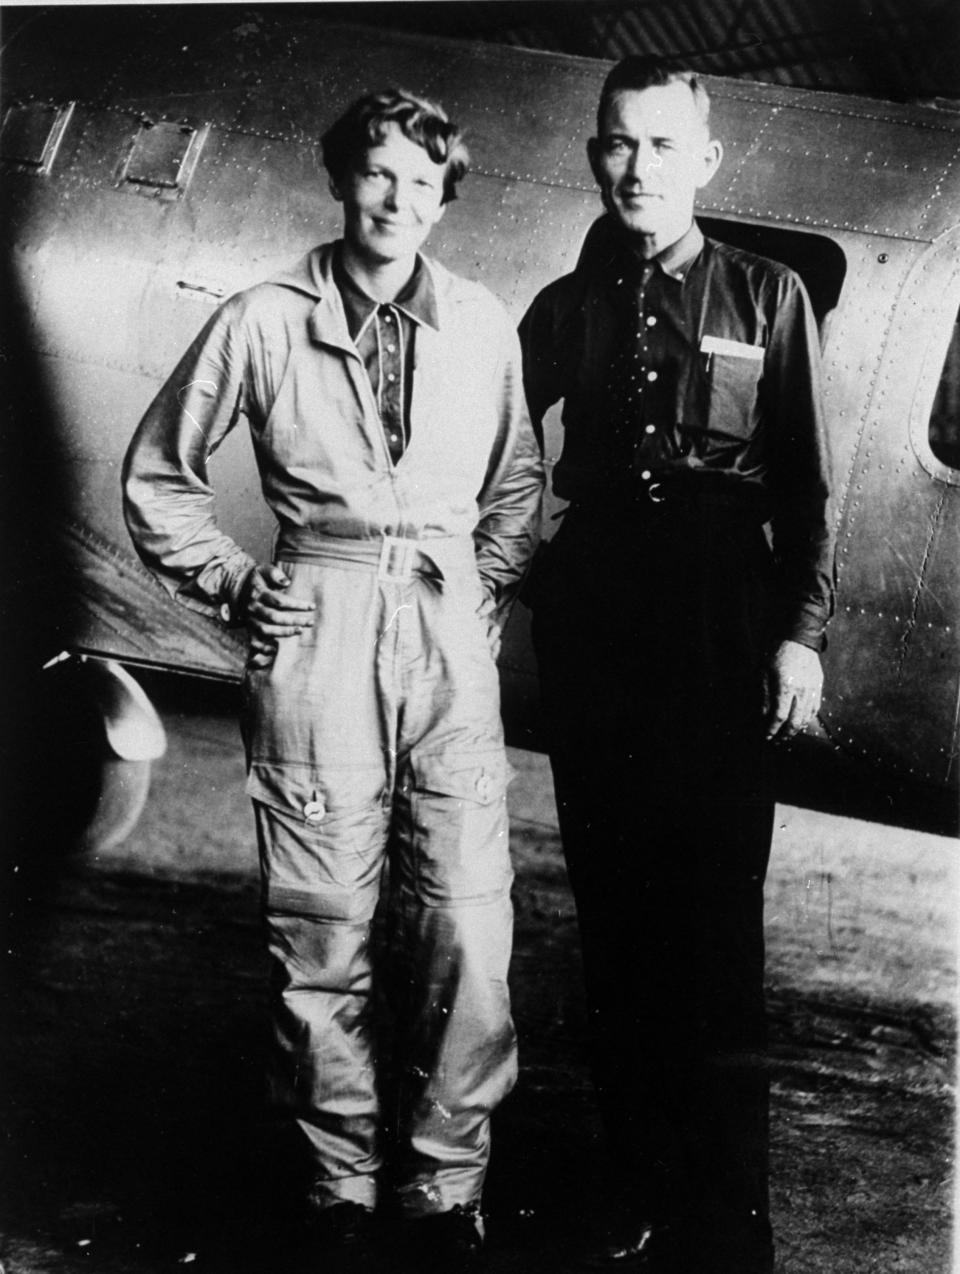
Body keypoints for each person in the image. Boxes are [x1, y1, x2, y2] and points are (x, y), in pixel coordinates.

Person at [123, 88, 543, 1274]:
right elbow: (160, 477)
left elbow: (517, 490)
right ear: (340, 179)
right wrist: (236, 579)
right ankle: (338, 1184)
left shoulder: (482, 322)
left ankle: (446, 1181)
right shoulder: (262, 319)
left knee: (468, 919)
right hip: (316, 624)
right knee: (322, 922)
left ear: (445, 191)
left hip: (445, 637)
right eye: (375, 174)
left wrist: (475, 592)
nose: (396, 200)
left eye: (421, 179)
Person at [519, 56, 835, 1274]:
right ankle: (633, 1182)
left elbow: (804, 482)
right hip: (598, 603)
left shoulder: (769, 297)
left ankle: (729, 1209)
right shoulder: (563, 306)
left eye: (660, 146)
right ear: (594, 154)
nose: (635, 168)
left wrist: (798, 632)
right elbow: (497, 445)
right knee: (613, 911)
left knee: (714, 913)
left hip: (717, 607)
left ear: (706, 161)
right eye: (615, 144)